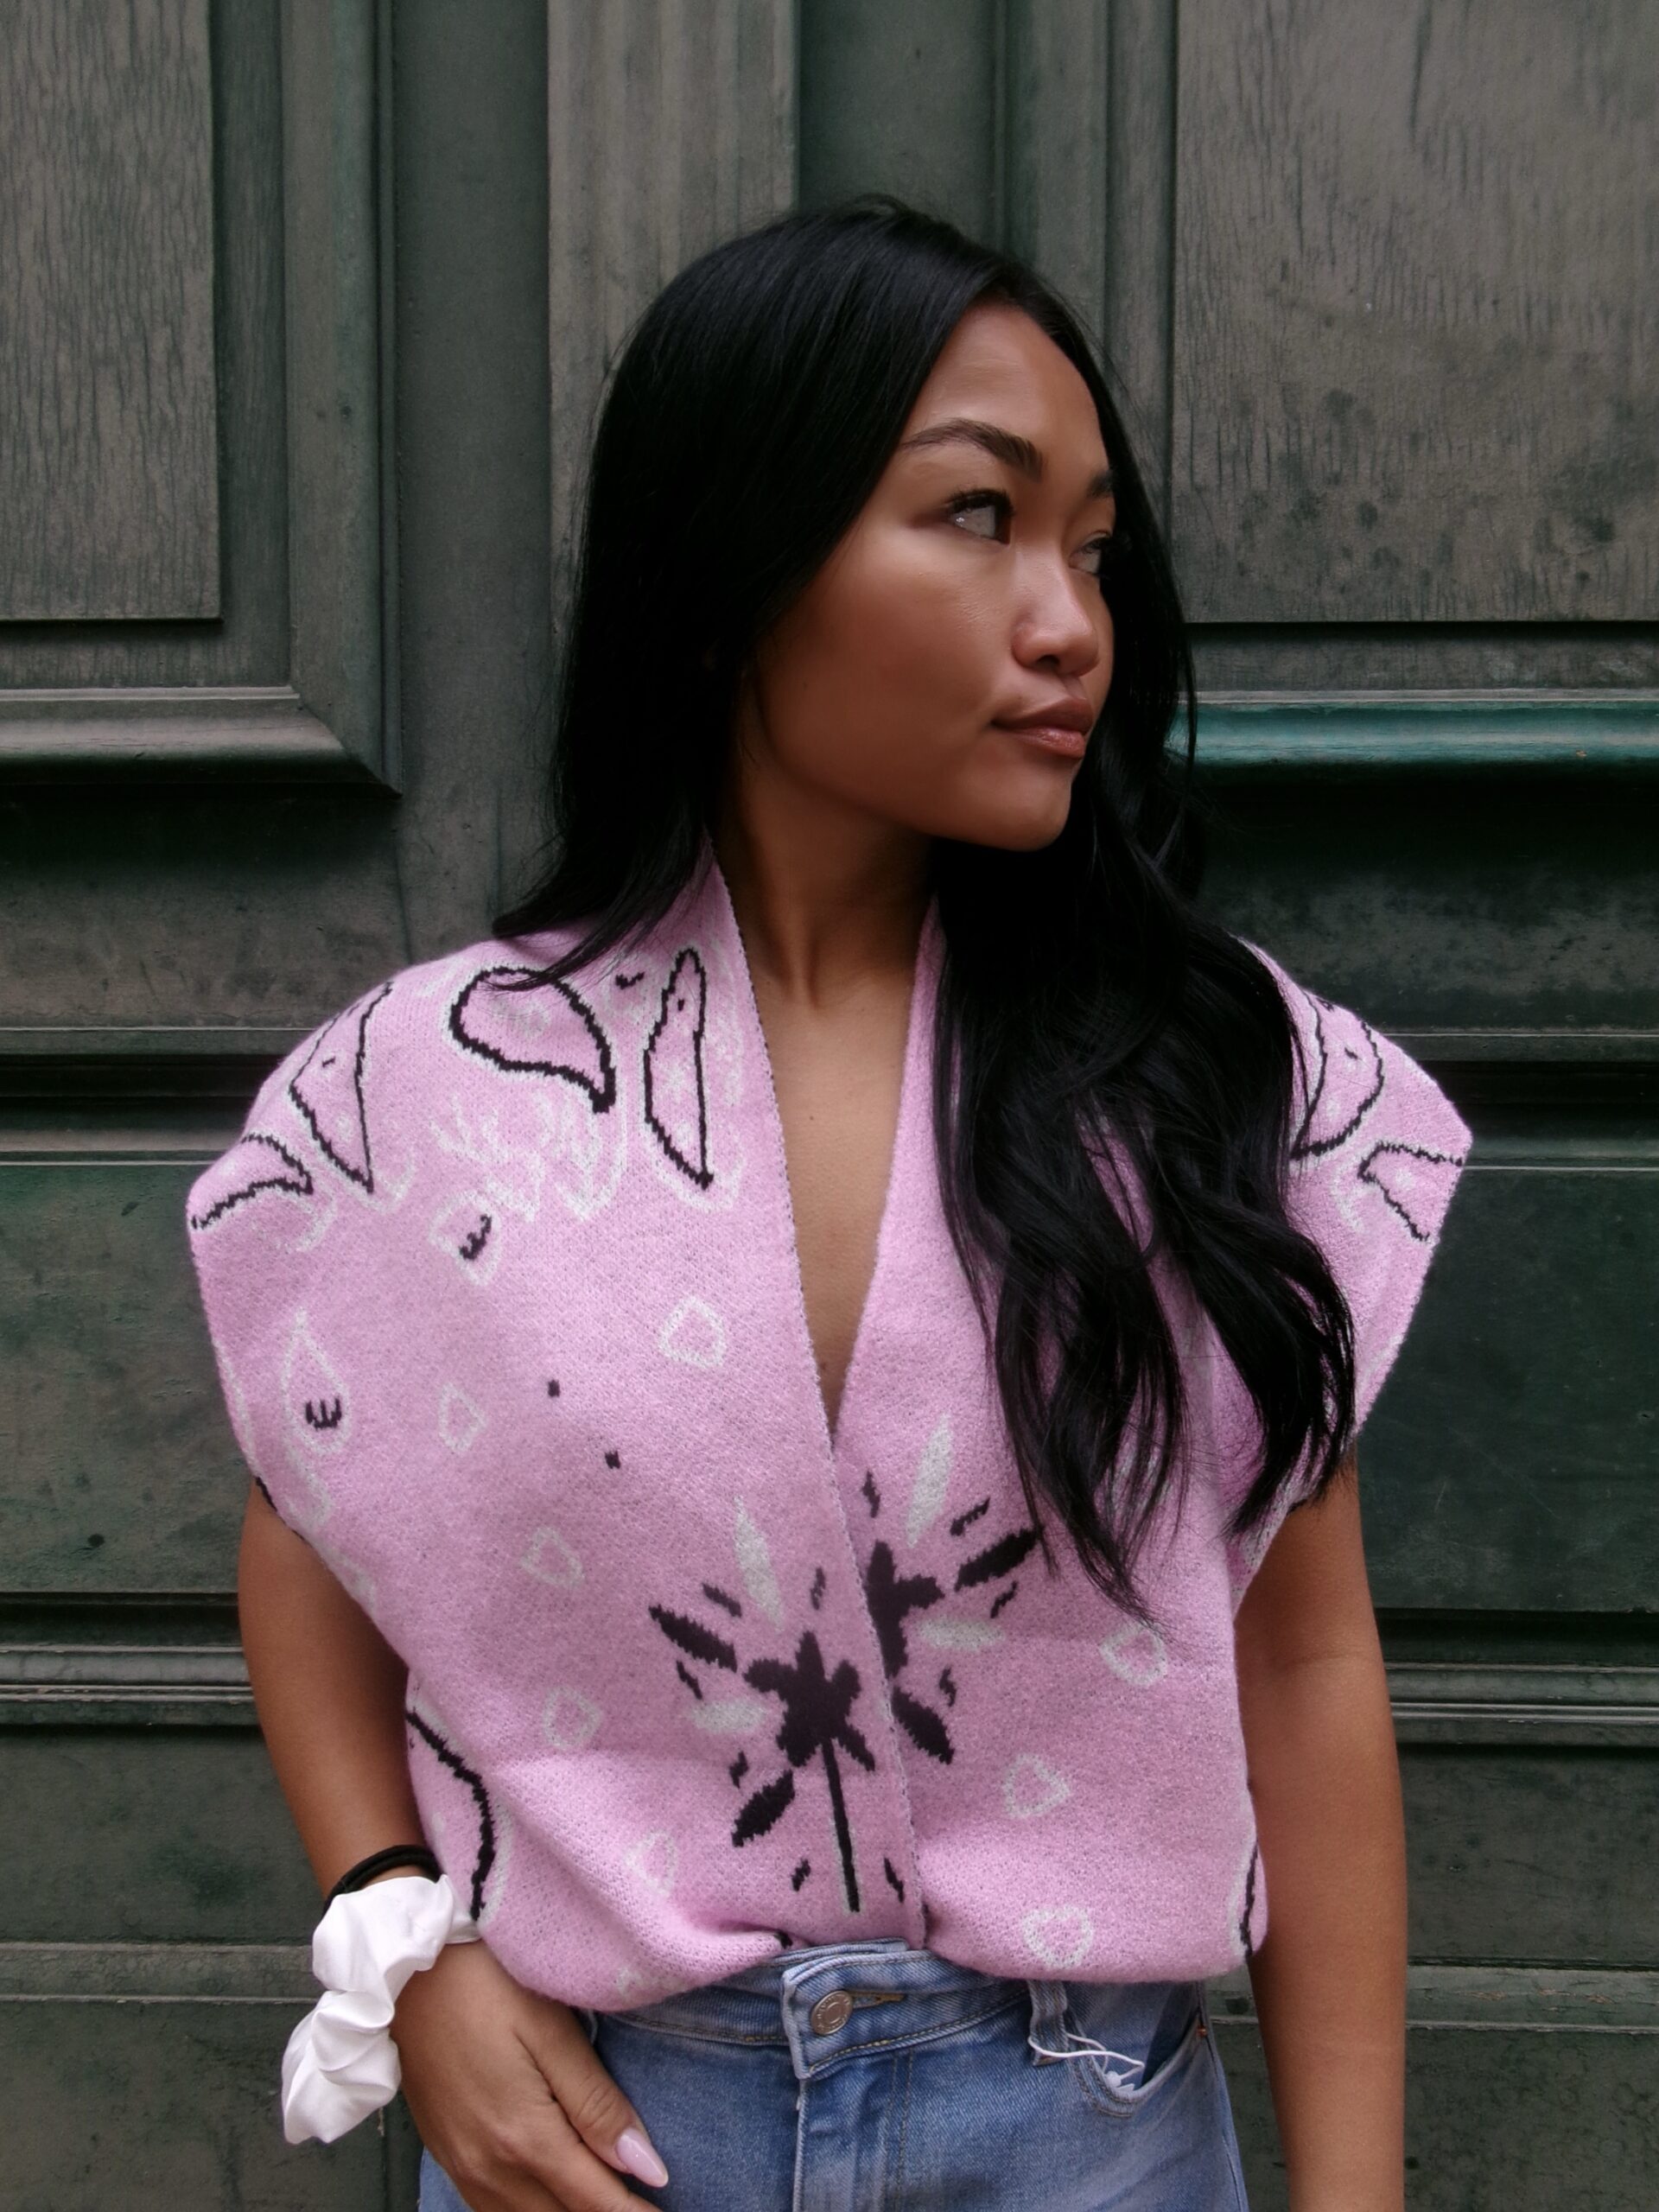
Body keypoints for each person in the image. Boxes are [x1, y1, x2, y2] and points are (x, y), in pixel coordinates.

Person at [186, 195, 1471, 2212]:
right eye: (979, 515)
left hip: (1086, 2130)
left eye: (1094, 549)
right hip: (607, 2129)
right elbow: (311, 1535)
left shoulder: (1202, 1077)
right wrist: (401, 1941)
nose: (1071, 622)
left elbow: (1304, 1668)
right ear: (735, 566)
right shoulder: (443, 1089)